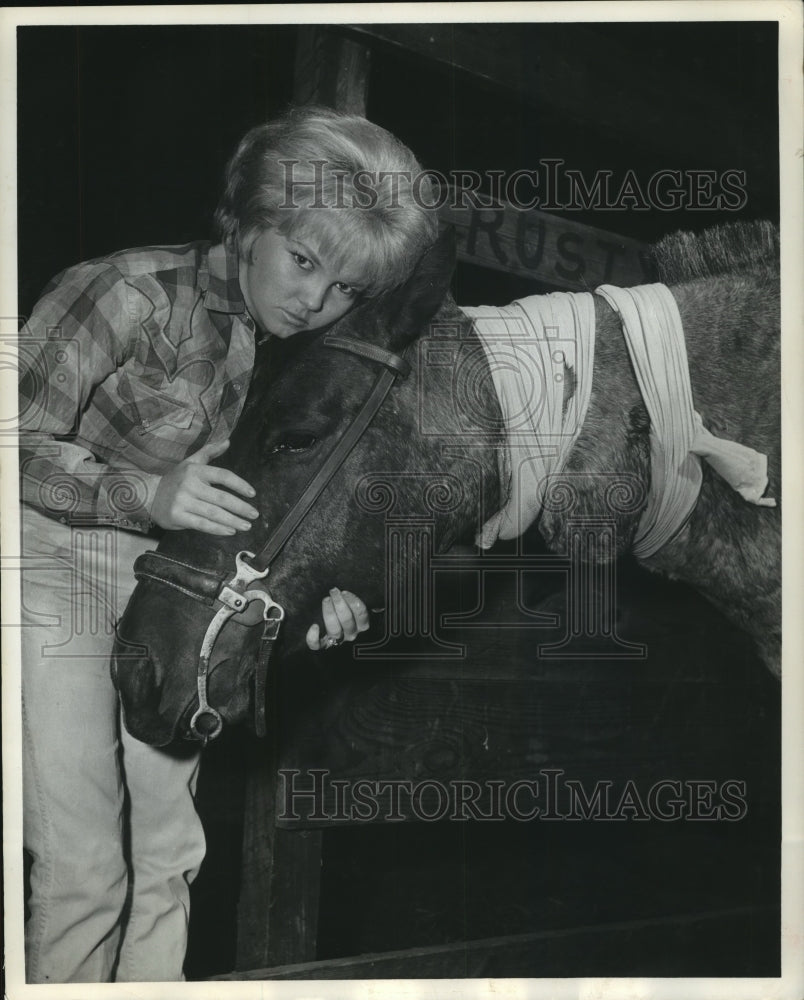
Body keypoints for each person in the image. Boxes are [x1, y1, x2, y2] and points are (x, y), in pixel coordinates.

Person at [18, 105, 439, 983]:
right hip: (51, 563)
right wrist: (149, 493)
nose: (315, 300)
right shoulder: (124, 290)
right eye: (304, 260)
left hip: (175, 594)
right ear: (248, 219)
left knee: (171, 858)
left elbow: (281, 515)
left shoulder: (302, 359)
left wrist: (329, 593)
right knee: (87, 866)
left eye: (346, 289)